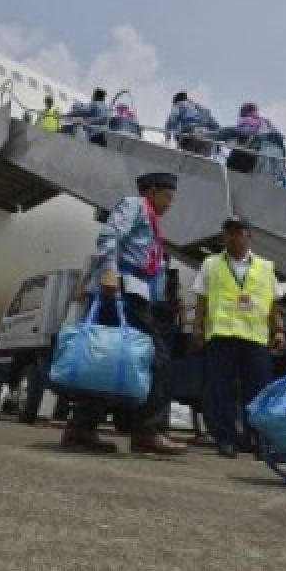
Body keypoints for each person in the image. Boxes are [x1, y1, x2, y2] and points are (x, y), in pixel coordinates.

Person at [61, 172, 187, 456]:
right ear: (152, 191)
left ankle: (81, 428)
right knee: (157, 357)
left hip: (133, 293)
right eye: (168, 196)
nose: (170, 204)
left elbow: (149, 264)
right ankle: (146, 431)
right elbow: (110, 235)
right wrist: (108, 270)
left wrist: (166, 299)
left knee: (105, 358)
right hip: (121, 291)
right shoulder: (134, 205)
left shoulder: (151, 220)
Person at [192, 216, 286, 458]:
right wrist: (198, 329)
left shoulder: (265, 267)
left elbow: (274, 304)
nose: (233, 237)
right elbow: (201, 299)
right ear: (223, 236)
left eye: (238, 232)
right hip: (222, 336)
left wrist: (279, 331)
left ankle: (256, 440)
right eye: (228, 232)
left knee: (258, 392)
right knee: (221, 391)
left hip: (255, 339)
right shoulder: (211, 264)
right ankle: (226, 440)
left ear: (249, 236)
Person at [165, 91, 219, 156]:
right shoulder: (203, 109)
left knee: (184, 159)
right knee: (200, 162)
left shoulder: (179, 105)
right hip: (207, 138)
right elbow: (216, 127)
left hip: (190, 136)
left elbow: (171, 121)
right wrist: (218, 145)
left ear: (176, 101)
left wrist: (167, 140)